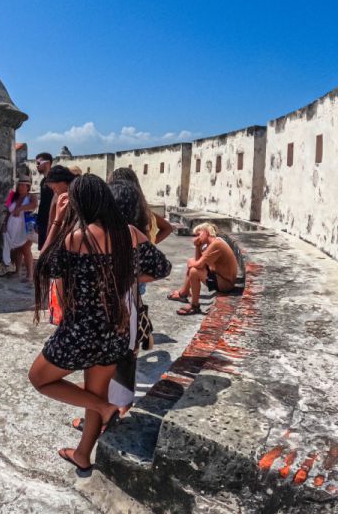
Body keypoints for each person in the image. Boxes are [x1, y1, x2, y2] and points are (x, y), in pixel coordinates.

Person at [29, 174, 171, 472]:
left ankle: (105, 409)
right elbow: (162, 267)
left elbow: (43, 266)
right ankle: (83, 453)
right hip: (115, 330)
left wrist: (56, 219)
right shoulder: (130, 233)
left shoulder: (77, 238)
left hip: (80, 332)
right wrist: (126, 277)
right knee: (95, 393)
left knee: (39, 378)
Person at [168, 222, 238, 315]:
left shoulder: (216, 244)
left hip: (225, 283)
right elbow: (198, 261)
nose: (196, 238)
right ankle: (184, 293)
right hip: (220, 277)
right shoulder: (213, 243)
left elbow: (199, 265)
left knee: (194, 271)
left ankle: (194, 305)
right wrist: (198, 246)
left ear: (207, 232)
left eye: (198, 234)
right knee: (191, 262)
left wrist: (192, 264)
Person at [107, 167, 174, 244]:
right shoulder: (148, 215)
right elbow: (168, 228)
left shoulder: (110, 219)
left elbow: (168, 228)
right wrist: (151, 244)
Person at [2, 176, 38, 281]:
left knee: (26, 249)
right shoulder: (12, 195)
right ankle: (17, 272)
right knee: (17, 249)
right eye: (19, 185)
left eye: (23, 185)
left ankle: (30, 275)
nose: (20, 187)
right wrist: (4, 224)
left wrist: (20, 208)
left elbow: (34, 205)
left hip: (26, 226)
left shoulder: (31, 197)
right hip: (12, 226)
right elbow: (8, 212)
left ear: (28, 186)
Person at [39, 165, 78, 252]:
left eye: (54, 188)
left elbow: (51, 219)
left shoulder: (63, 195)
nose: (54, 191)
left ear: (61, 182)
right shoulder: (59, 195)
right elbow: (51, 218)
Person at [34, 153, 54, 250]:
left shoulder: (55, 180)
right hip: (43, 222)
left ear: (47, 163)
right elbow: (43, 204)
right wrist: (39, 222)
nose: (36, 166)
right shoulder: (43, 181)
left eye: (38, 163)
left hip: (51, 223)